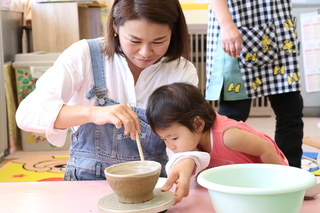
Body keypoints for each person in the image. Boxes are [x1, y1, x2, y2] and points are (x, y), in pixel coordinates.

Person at [15, 0, 198, 180]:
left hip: (153, 182)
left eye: (159, 41)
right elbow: (27, 114)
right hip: (87, 180)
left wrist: (185, 162)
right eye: (134, 41)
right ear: (115, 27)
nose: (145, 52)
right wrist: (93, 113)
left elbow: (187, 137)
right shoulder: (85, 54)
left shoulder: (181, 71)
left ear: (173, 32)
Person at [146, 82, 288, 203]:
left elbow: (266, 148)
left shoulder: (229, 137)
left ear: (198, 124)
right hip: (237, 184)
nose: (171, 146)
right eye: (164, 139)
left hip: (266, 178)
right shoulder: (192, 138)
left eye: (174, 138)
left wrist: (281, 184)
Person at [205, 0, 304, 168]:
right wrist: (226, 24)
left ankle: (291, 175)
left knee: (291, 110)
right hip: (236, 24)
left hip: (279, 26)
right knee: (233, 115)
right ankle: (224, 173)